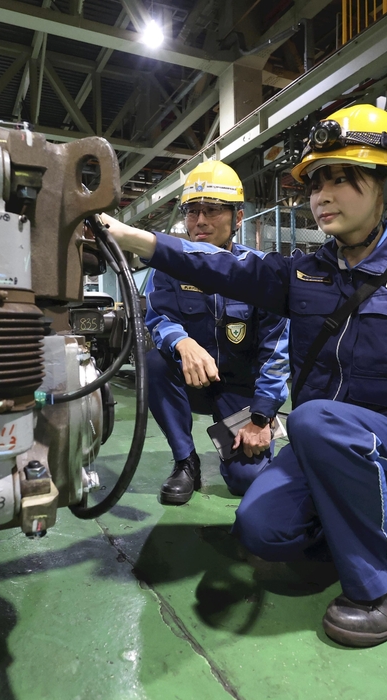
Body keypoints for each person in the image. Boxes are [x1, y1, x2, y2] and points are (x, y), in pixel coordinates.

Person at [101, 105, 387, 648]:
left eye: (345, 177)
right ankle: (340, 526)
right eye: (317, 179)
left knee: (317, 420)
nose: (323, 193)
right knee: (260, 529)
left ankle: (386, 583)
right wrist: (129, 236)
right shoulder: (303, 274)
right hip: (328, 446)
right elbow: (219, 265)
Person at [143, 160, 290, 505]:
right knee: (154, 363)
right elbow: (159, 316)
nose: (200, 222)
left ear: (238, 218)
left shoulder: (260, 273)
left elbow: (276, 351)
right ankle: (185, 462)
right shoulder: (169, 268)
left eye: (212, 211)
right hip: (192, 380)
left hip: (239, 388)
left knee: (246, 481)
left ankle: (254, 446)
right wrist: (182, 341)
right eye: (192, 212)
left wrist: (261, 416)